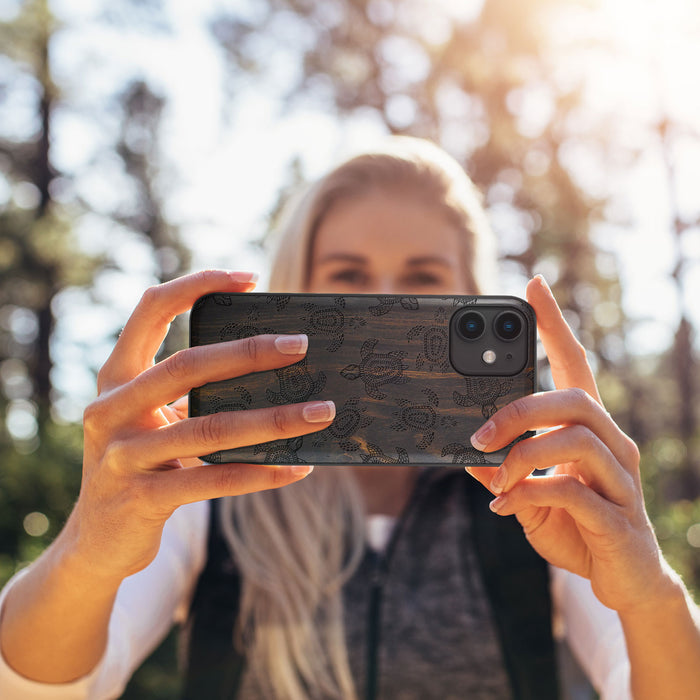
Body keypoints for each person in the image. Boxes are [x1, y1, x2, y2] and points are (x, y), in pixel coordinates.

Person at [0, 137, 699, 700]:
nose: (386, 308)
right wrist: (88, 551)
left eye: (424, 280)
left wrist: (649, 594)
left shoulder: (538, 495)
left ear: (468, 296)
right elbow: (43, 689)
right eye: (349, 277)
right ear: (297, 294)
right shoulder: (207, 491)